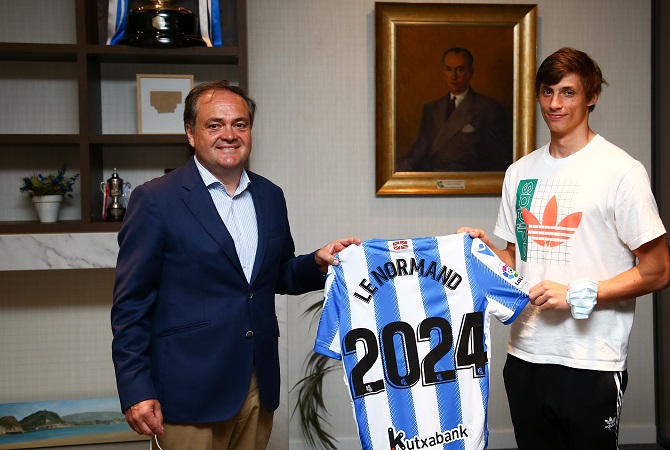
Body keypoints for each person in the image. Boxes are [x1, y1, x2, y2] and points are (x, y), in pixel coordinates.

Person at [110, 80, 360, 450]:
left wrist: (318, 263)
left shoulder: (270, 196)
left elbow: (277, 274)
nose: (229, 134)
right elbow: (130, 305)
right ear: (191, 134)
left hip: (257, 384)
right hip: (188, 390)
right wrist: (136, 388)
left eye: (239, 124)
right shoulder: (155, 200)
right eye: (214, 125)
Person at [459, 47, 670, 449]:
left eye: (568, 92)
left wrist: (577, 293)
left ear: (592, 96)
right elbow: (516, 258)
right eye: (547, 91)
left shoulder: (621, 172)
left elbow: (657, 270)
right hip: (525, 355)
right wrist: (484, 251)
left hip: (591, 359)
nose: (555, 104)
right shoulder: (520, 172)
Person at [396, 47, 512, 172]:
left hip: (469, 178)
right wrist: (393, 172)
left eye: (460, 70)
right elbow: (419, 151)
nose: (453, 76)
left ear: (470, 72)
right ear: (443, 73)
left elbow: (499, 159)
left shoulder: (488, 108)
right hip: (434, 178)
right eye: (449, 69)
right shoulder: (432, 109)